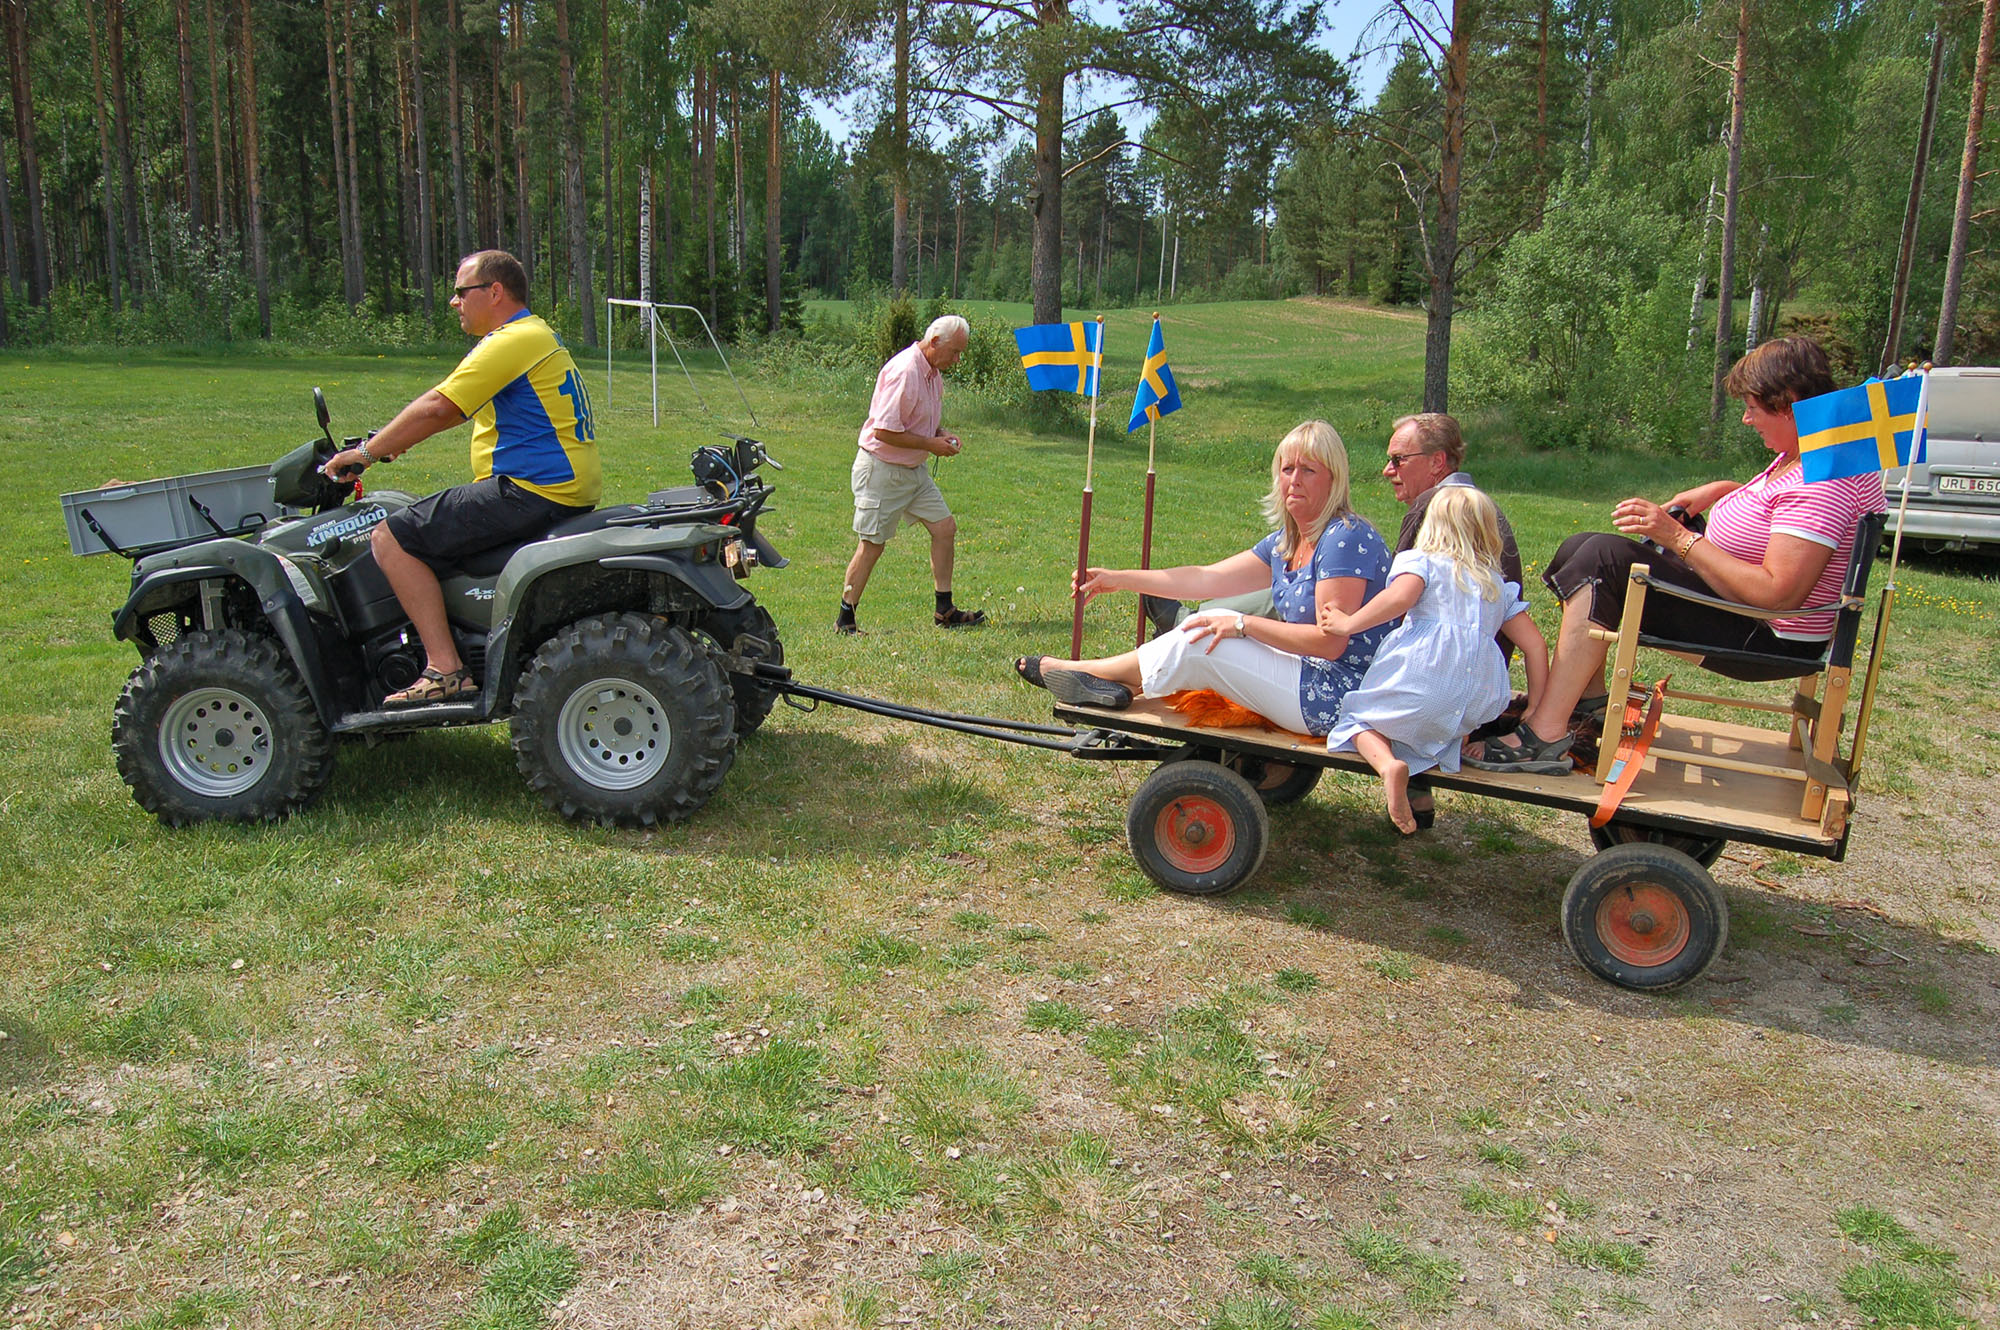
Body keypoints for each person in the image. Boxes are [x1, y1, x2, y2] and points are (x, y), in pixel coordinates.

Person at [1465, 335, 1886, 774]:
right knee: (1582, 547)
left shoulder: (1823, 483)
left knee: (1604, 560)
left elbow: (1778, 594)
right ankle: (1584, 705)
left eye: (1753, 408)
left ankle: (1545, 732)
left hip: (1768, 637)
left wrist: (1678, 537)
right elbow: (1777, 513)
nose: (1745, 419)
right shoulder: (1808, 455)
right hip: (1741, 612)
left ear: (1788, 403)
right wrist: (1723, 493)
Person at [323, 249, 598, 707]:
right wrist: (392, 441)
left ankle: (444, 669)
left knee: (392, 536)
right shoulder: (537, 334)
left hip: (530, 490)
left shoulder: (511, 340)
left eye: (460, 292)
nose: (453, 302)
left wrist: (366, 454)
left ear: (494, 292)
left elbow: (439, 407)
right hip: (557, 486)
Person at [1014, 420, 1394, 737]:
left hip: (1335, 694)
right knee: (1202, 628)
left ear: (1334, 478)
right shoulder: (1288, 541)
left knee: (1203, 636)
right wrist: (1120, 578)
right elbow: (1205, 579)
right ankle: (1118, 683)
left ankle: (1086, 673)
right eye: (1286, 468)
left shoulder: (1345, 537)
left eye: (1308, 470)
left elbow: (1330, 646)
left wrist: (1243, 624)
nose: (1294, 480)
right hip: (1309, 676)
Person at [1319, 487, 1550, 833]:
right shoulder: (1497, 587)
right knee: (1433, 721)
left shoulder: (1422, 563)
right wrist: (1536, 707)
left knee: (1356, 719)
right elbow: (1536, 647)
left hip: (1423, 680)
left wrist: (1348, 623)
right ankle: (1445, 745)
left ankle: (1388, 768)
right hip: (1475, 702)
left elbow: (1398, 600)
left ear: (1431, 526)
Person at [838, 314, 985, 634]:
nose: (958, 359)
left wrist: (941, 434)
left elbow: (921, 423)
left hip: (913, 470)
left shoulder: (932, 373)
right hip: (882, 470)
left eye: (961, 353)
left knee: (945, 528)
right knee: (872, 545)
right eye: (955, 352)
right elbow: (884, 431)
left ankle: (944, 610)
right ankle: (845, 619)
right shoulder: (905, 371)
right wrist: (932, 445)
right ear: (934, 343)